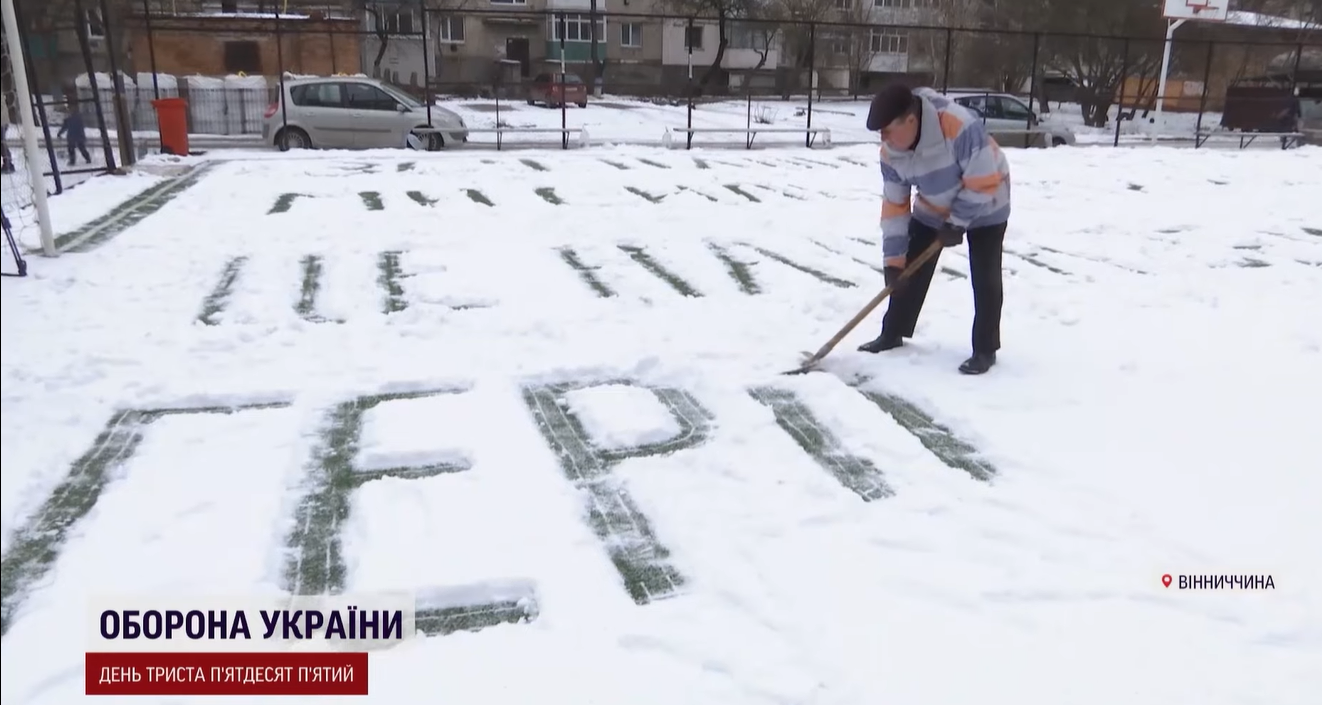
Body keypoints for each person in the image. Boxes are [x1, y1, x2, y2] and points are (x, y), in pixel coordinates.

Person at [857, 84, 1012, 375]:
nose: (884, 139)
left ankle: (985, 349)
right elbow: (895, 206)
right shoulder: (892, 153)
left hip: (988, 198)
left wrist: (957, 222)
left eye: (888, 130)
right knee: (908, 269)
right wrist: (893, 262)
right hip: (934, 203)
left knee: (985, 275)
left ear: (911, 120)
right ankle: (892, 333)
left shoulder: (959, 126)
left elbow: (983, 180)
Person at [57, 99, 91, 167]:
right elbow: (65, 127)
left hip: (76, 135)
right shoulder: (73, 118)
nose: (69, 112)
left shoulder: (75, 118)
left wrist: (60, 133)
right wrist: (60, 133)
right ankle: (76, 160)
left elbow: (65, 126)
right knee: (74, 148)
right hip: (74, 136)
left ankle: (85, 159)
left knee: (79, 148)